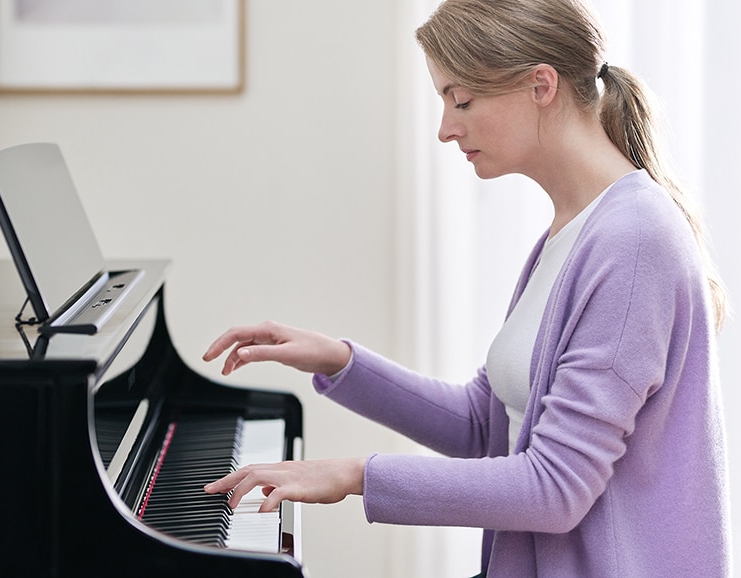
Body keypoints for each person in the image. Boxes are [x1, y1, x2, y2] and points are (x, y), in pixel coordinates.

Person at [202, 0, 731, 575]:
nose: (446, 128)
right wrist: (341, 360)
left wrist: (354, 475)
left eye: (463, 100)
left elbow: (554, 488)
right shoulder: (573, 231)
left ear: (541, 86)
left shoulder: (633, 241)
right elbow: (487, 424)